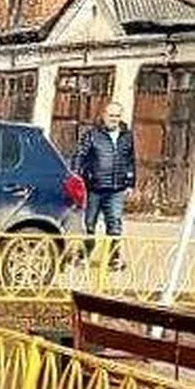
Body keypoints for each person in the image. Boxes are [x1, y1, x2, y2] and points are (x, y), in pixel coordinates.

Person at [74, 100, 137, 270]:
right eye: (111, 115)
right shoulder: (92, 135)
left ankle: (113, 259)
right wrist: (77, 178)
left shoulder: (127, 136)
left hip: (116, 189)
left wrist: (130, 183)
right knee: (89, 224)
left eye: (117, 116)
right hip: (94, 187)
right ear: (104, 116)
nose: (114, 119)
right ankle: (83, 257)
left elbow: (130, 161)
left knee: (114, 224)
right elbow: (79, 156)